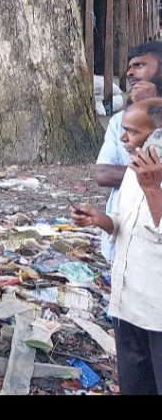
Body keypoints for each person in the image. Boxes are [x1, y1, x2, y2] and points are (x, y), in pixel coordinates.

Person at [72, 98, 162, 395]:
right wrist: (102, 220)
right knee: (136, 385)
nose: (123, 138)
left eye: (132, 132)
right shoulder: (134, 175)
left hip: (158, 312)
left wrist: (152, 188)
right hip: (128, 305)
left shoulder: (148, 178)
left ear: (157, 133)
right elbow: (126, 223)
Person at [95, 42, 162, 261]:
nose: (130, 73)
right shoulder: (118, 121)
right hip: (122, 240)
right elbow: (103, 174)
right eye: (130, 67)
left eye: (140, 65)